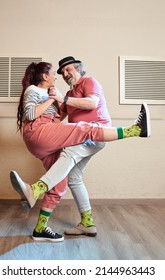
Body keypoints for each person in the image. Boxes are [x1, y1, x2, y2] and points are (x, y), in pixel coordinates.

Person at [10, 61, 151, 242]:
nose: (65, 74)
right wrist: (57, 102)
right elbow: (56, 115)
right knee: (71, 179)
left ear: (78, 68)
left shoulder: (88, 82)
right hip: (75, 136)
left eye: (68, 69)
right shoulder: (61, 93)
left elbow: (92, 102)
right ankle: (83, 223)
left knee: (79, 136)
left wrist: (61, 100)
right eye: (61, 72)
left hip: (97, 132)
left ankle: (136, 130)